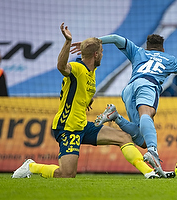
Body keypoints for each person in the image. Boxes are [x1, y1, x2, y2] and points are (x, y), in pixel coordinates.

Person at [12, 23, 168, 179]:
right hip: (68, 128)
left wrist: (87, 100)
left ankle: (149, 173)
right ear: (95, 54)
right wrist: (67, 42)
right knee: (67, 174)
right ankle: (31, 166)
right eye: (101, 52)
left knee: (124, 137)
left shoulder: (91, 71)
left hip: (82, 125)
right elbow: (61, 66)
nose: (102, 54)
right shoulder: (78, 68)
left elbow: (77, 91)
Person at [71, 34, 177, 177]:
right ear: (162, 48)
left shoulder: (138, 51)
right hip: (148, 84)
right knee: (146, 114)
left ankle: (115, 116)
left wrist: (92, 43)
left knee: (141, 139)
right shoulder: (170, 59)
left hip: (129, 89)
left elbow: (115, 38)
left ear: (147, 46)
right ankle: (153, 151)